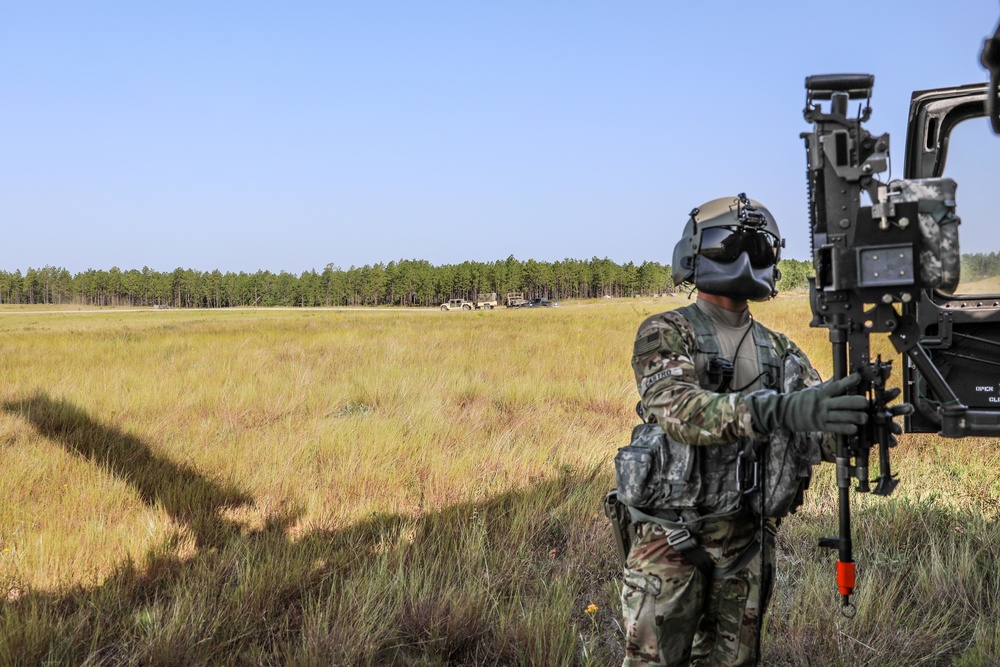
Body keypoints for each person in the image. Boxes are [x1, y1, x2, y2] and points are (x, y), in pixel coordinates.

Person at [618, 194, 907, 666]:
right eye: (735, 245)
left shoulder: (780, 349)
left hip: (747, 546)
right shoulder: (667, 331)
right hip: (672, 543)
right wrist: (786, 411)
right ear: (701, 252)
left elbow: (815, 427)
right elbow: (679, 410)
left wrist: (856, 425)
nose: (749, 259)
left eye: (761, 248)